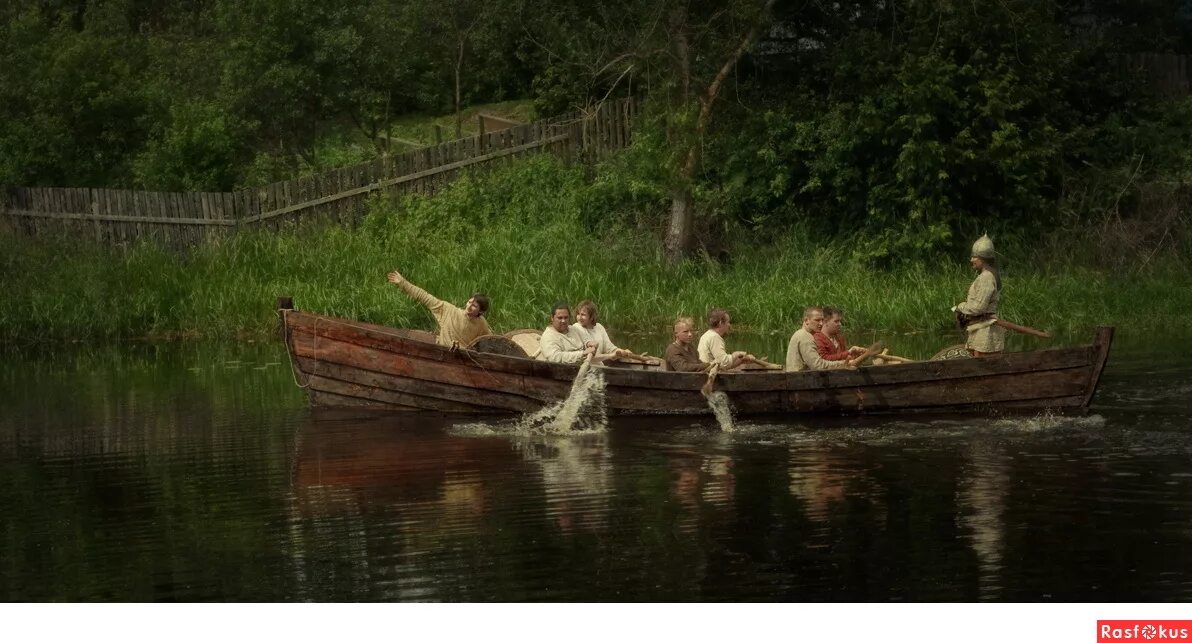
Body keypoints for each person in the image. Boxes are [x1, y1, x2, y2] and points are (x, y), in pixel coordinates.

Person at [386, 269, 491, 347]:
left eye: (474, 306)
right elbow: (424, 296)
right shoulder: (449, 310)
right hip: (443, 352)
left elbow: (491, 340)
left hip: (463, 360)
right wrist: (403, 283)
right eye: (469, 302)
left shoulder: (481, 324)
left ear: (480, 311)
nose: (469, 306)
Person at [953, 234, 1005, 356]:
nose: (971, 260)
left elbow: (979, 307)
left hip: (986, 330)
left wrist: (960, 307)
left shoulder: (986, 277)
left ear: (982, 258)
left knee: (983, 368)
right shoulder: (985, 276)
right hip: (980, 328)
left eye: (974, 257)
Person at [786, 306, 851, 371]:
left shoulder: (800, 333)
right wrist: (843, 363)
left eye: (822, 320)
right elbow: (817, 366)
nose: (821, 323)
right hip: (798, 378)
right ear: (806, 321)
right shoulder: (805, 337)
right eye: (817, 320)